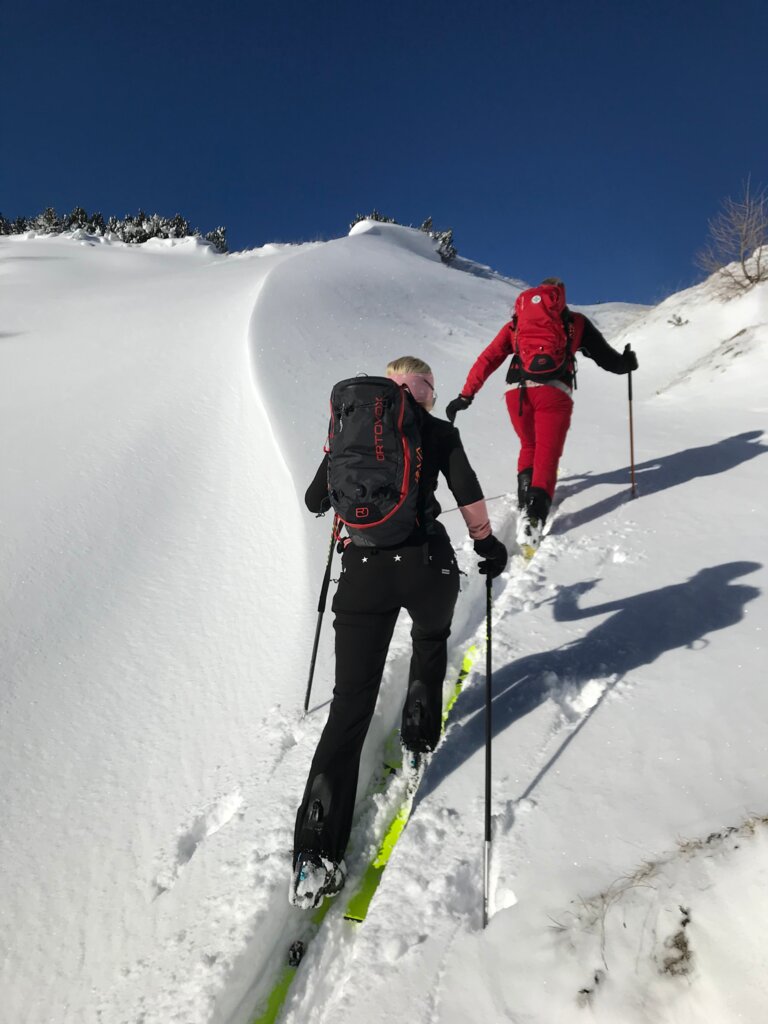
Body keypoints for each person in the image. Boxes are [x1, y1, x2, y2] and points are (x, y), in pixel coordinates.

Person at [291, 356, 508, 910]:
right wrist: (486, 545)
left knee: (351, 704)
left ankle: (315, 850)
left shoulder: (351, 433)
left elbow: (317, 501)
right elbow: (468, 493)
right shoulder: (436, 430)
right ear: (427, 393)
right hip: (426, 564)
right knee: (430, 643)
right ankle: (418, 732)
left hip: (362, 574)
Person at [445, 278, 638, 554]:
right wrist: (627, 363)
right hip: (554, 392)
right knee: (547, 453)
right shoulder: (576, 323)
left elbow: (488, 358)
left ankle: (526, 501)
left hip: (517, 393)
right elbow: (608, 360)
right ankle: (533, 519)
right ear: (560, 296)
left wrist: (466, 395)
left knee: (529, 446)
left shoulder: (517, 325)